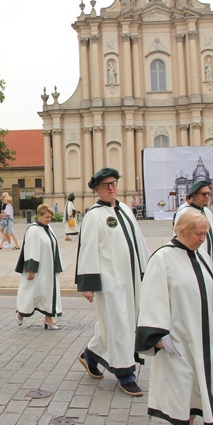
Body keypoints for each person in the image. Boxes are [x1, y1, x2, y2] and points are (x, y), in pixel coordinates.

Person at [137, 210, 213, 425]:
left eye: (205, 234)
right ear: (182, 231)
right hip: (177, 337)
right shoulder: (162, 258)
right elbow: (152, 296)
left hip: (204, 336)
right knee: (180, 382)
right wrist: (158, 334)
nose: (202, 238)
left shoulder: (202, 255)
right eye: (198, 234)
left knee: (199, 382)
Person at [75, 167, 150, 397]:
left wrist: (148, 272)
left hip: (131, 281)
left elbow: (138, 242)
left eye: (114, 183)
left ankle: (90, 354)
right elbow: (87, 249)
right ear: (97, 189)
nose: (111, 188)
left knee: (118, 323)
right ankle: (126, 374)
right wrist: (87, 285)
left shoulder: (126, 210)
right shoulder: (94, 216)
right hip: (110, 282)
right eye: (106, 185)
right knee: (119, 324)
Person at [15, 203, 63, 329]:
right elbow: (31, 249)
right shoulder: (33, 230)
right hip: (37, 270)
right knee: (32, 293)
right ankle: (21, 312)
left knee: (47, 293)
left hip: (49, 270)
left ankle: (48, 319)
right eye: (47, 217)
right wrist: (31, 269)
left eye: (50, 217)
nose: (49, 219)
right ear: (39, 216)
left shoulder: (48, 228)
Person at [173, 180, 213, 274]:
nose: (207, 197)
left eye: (208, 194)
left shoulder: (207, 212)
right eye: (204, 194)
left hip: (207, 256)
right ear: (194, 195)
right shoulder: (184, 213)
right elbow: (178, 237)